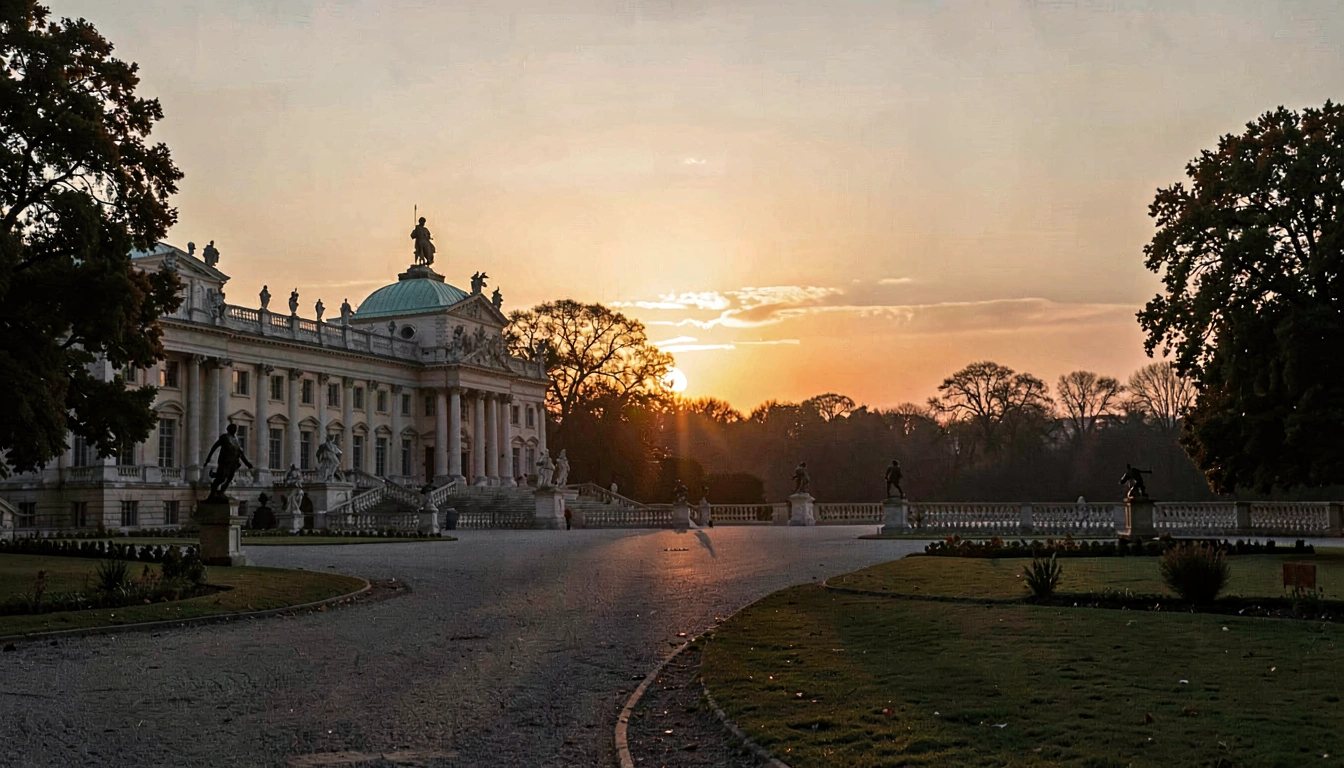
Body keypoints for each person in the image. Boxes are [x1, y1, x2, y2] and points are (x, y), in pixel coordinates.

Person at [204, 423, 252, 500]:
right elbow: (214, 448)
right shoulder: (224, 438)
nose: (235, 430)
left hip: (234, 463)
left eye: (235, 428)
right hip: (224, 462)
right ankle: (213, 492)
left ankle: (221, 492)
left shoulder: (235, 439)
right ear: (229, 429)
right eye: (233, 428)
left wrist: (247, 463)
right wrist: (207, 460)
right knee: (222, 478)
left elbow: (240, 453)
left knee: (229, 478)